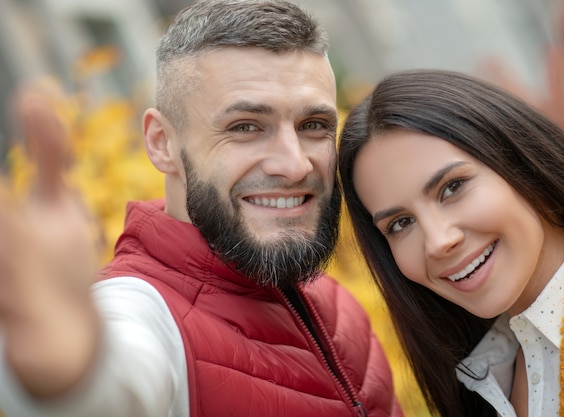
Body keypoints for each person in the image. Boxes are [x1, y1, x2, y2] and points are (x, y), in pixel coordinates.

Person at [0, 1, 403, 416]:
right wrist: (68, 372)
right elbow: (119, 381)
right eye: (245, 127)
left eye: (313, 125)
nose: (295, 163)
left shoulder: (335, 304)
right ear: (161, 143)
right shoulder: (146, 311)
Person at [337, 0, 564, 416]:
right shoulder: (482, 373)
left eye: (452, 187)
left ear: (518, 159)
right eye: (400, 223)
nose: (438, 241)